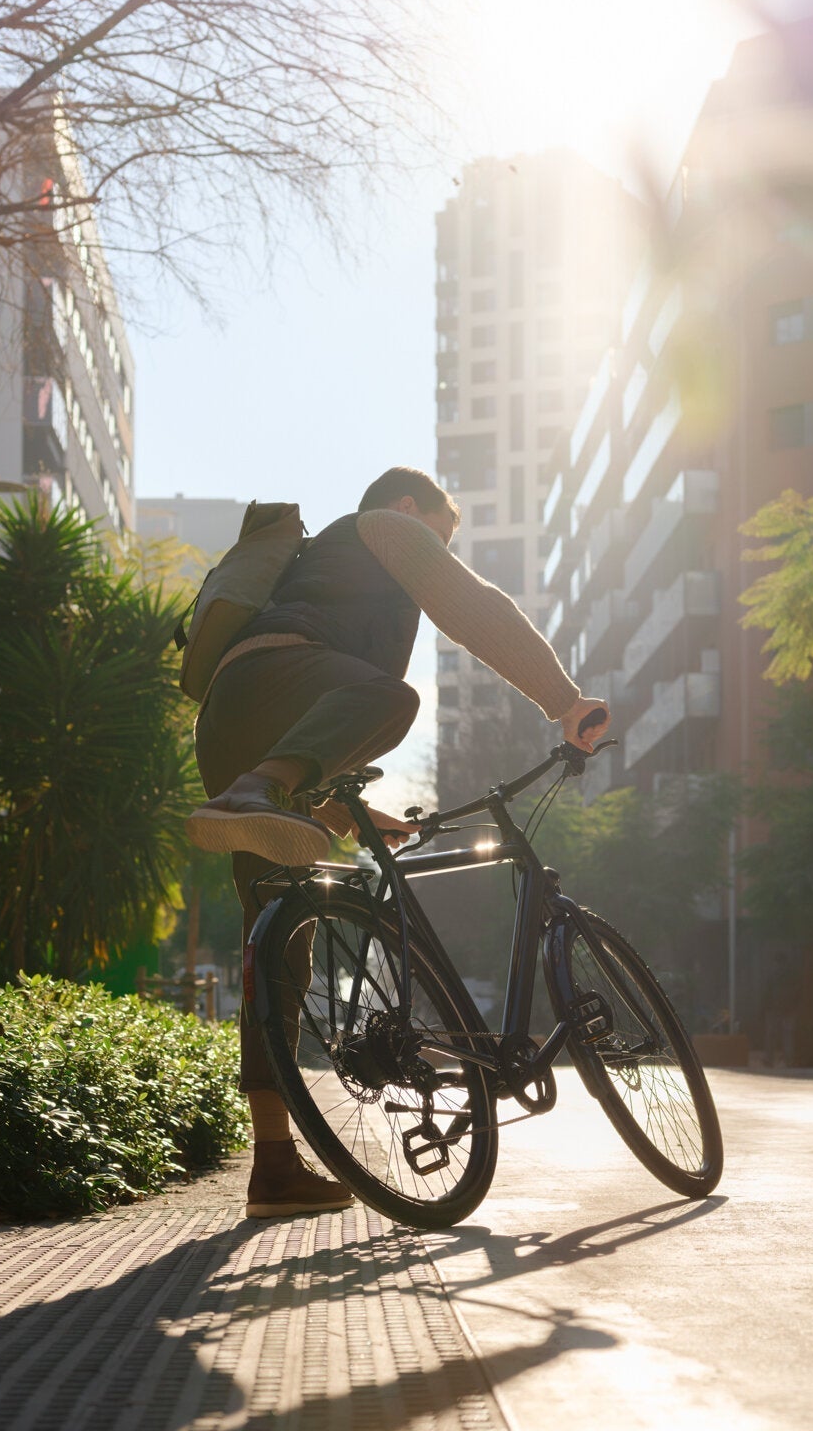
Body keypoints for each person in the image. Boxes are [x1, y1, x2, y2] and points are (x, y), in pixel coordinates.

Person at [187, 466, 609, 1217]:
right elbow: (473, 608)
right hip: (286, 688)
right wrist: (564, 699)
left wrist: (352, 812)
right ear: (413, 508)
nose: (439, 552)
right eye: (444, 535)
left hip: (228, 722)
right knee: (390, 696)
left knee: (277, 949)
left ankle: (274, 1168)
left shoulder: (316, 576)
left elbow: (310, 711)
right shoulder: (386, 526)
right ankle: (259, 790)